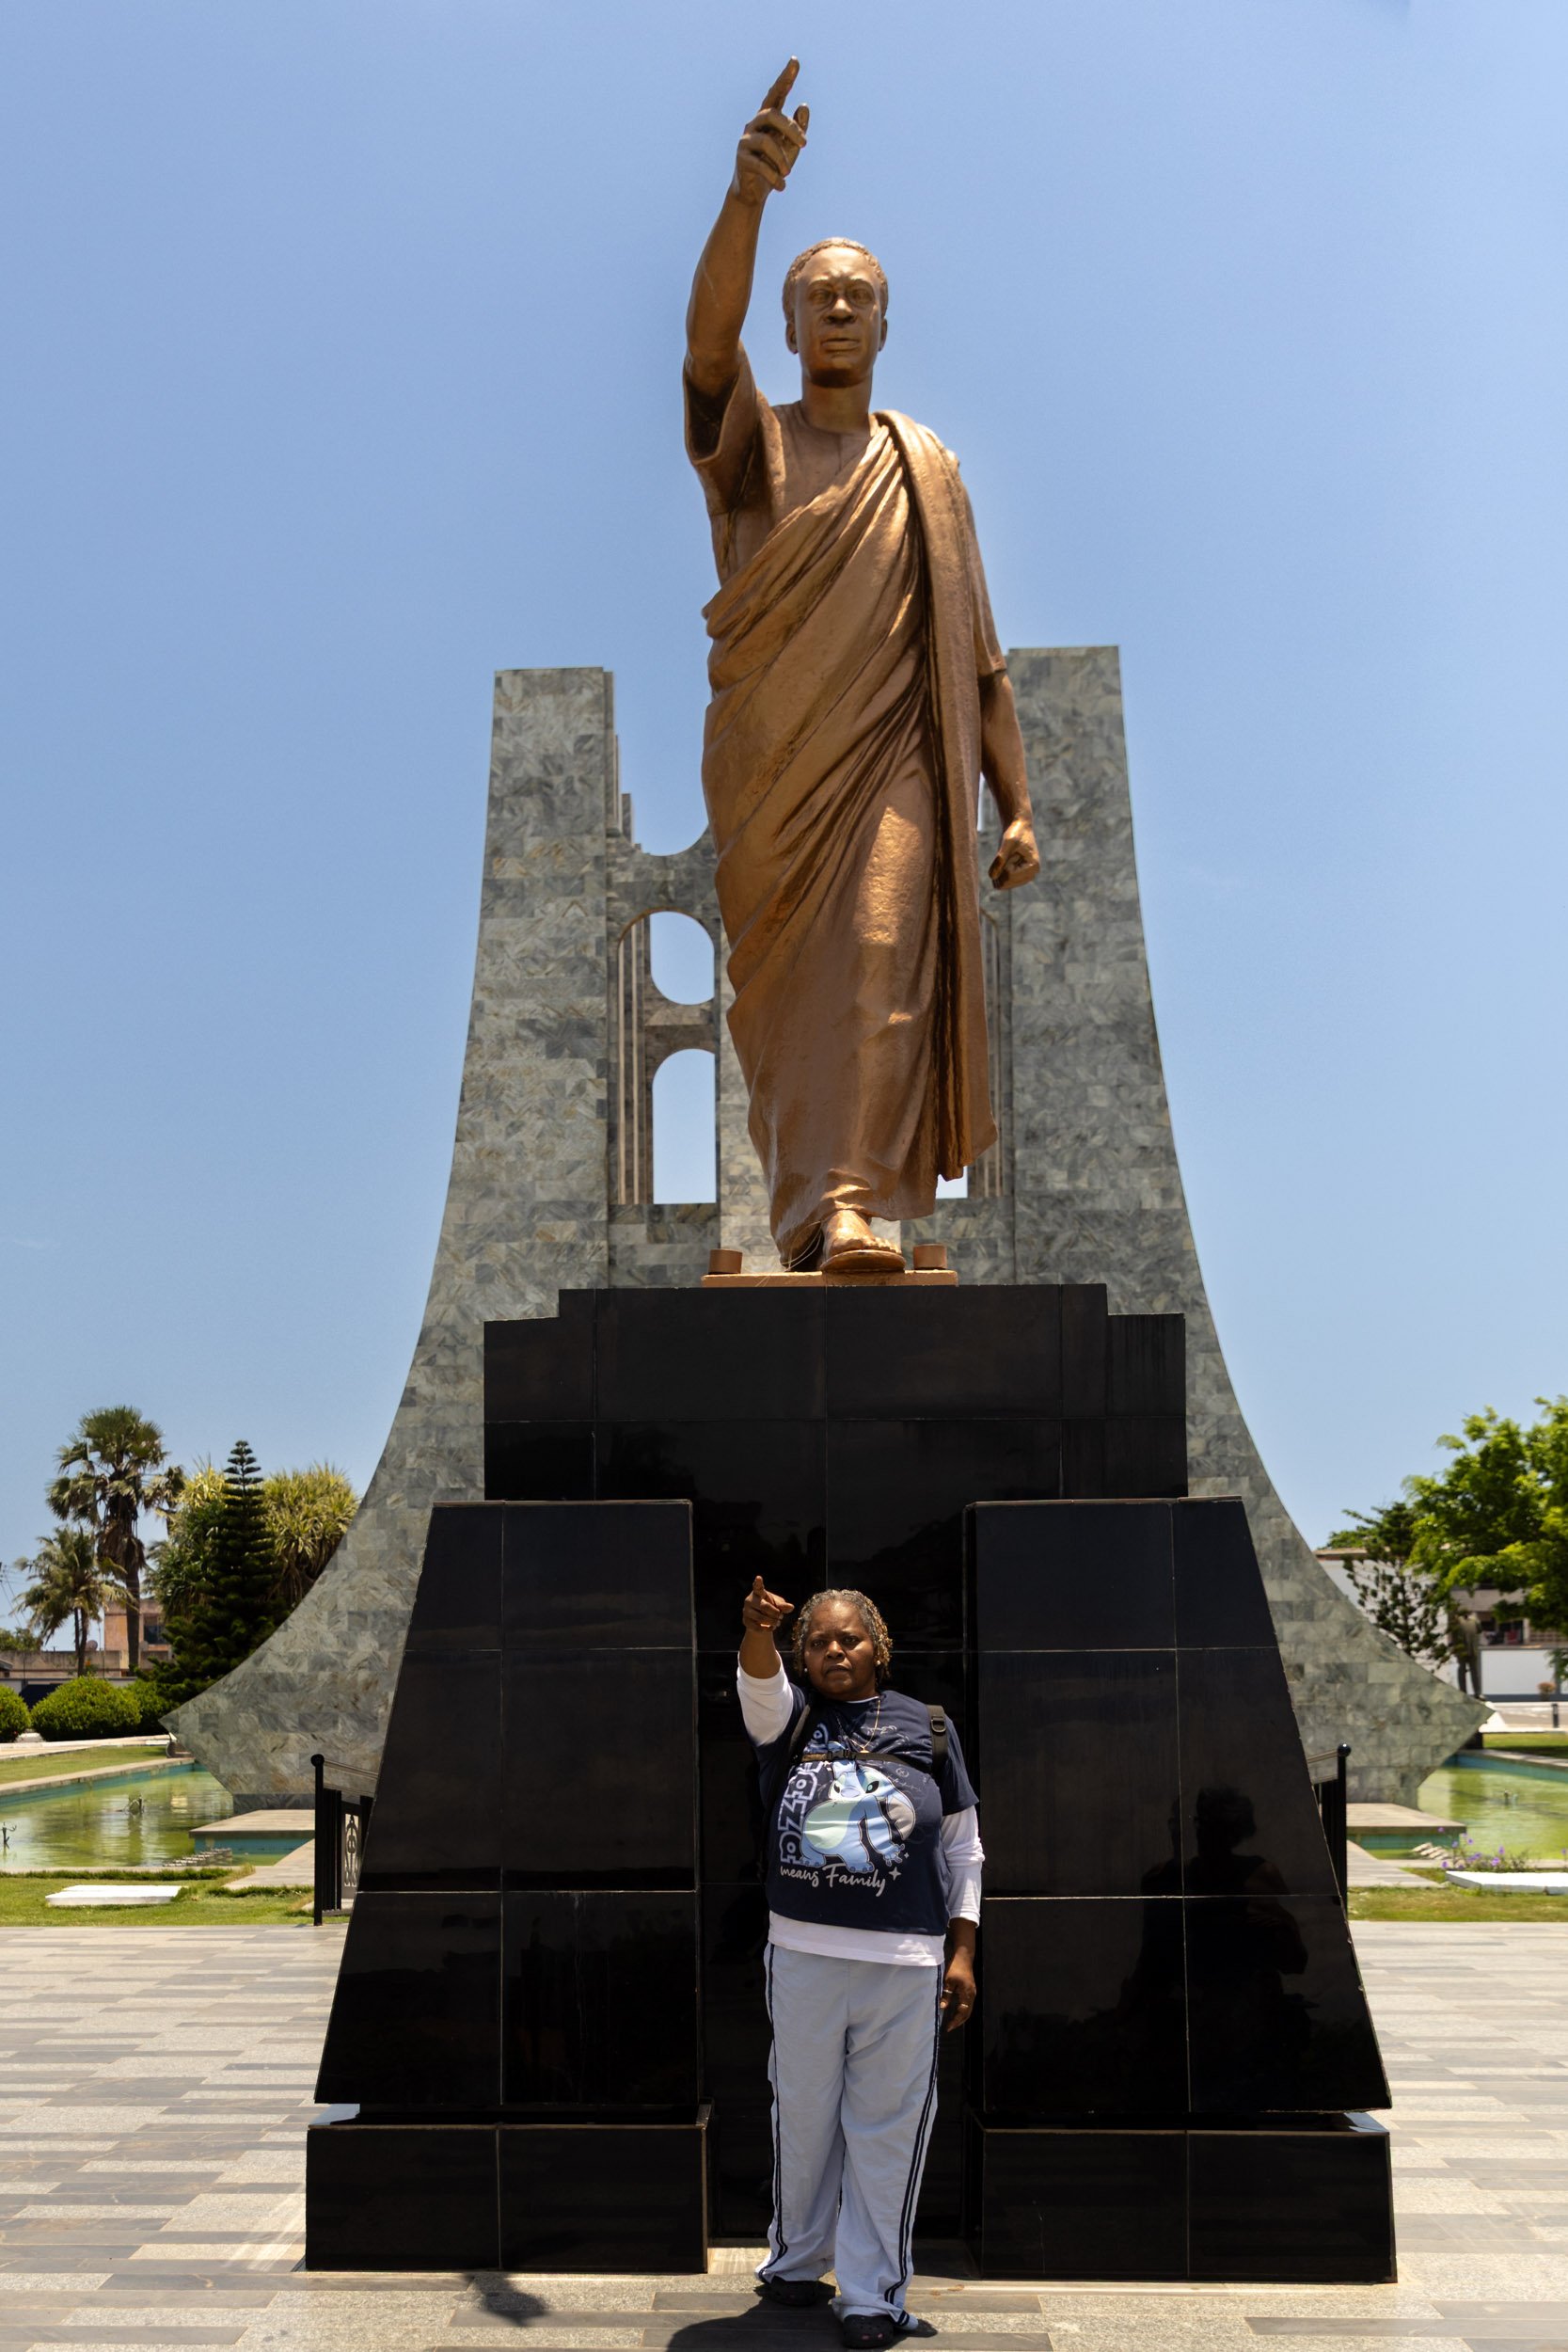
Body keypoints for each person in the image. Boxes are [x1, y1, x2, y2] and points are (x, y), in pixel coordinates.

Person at [685, 59, 1040, 1277]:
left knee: (883, 959)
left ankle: (850, 1209)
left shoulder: (926, 469)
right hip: (772, 774)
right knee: (787, 1008)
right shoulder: (754, 451)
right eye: (816, 298)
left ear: (884, 323)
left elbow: (977, 662)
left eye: (858, 297)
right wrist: (747, 200)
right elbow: (699, 347)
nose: (836, 312)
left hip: (894, 761)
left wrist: (1018, 805)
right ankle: (805, 1210)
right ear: (787, 327)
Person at [738, 1573, 984, 2347]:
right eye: (818, 1641)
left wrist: (963, 1951)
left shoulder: (931, 1726)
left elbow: (963, 1849)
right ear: (802, 1657)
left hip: (906, 1959)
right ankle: (794, 2263)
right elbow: (757, 1681)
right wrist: (757, 1631)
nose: (834, 1648)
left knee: (888, 2128)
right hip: (803, 1952)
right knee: (802, 2116)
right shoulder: (790, 1716)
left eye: (848, 1638)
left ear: (879, 1648)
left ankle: (872, 2297)